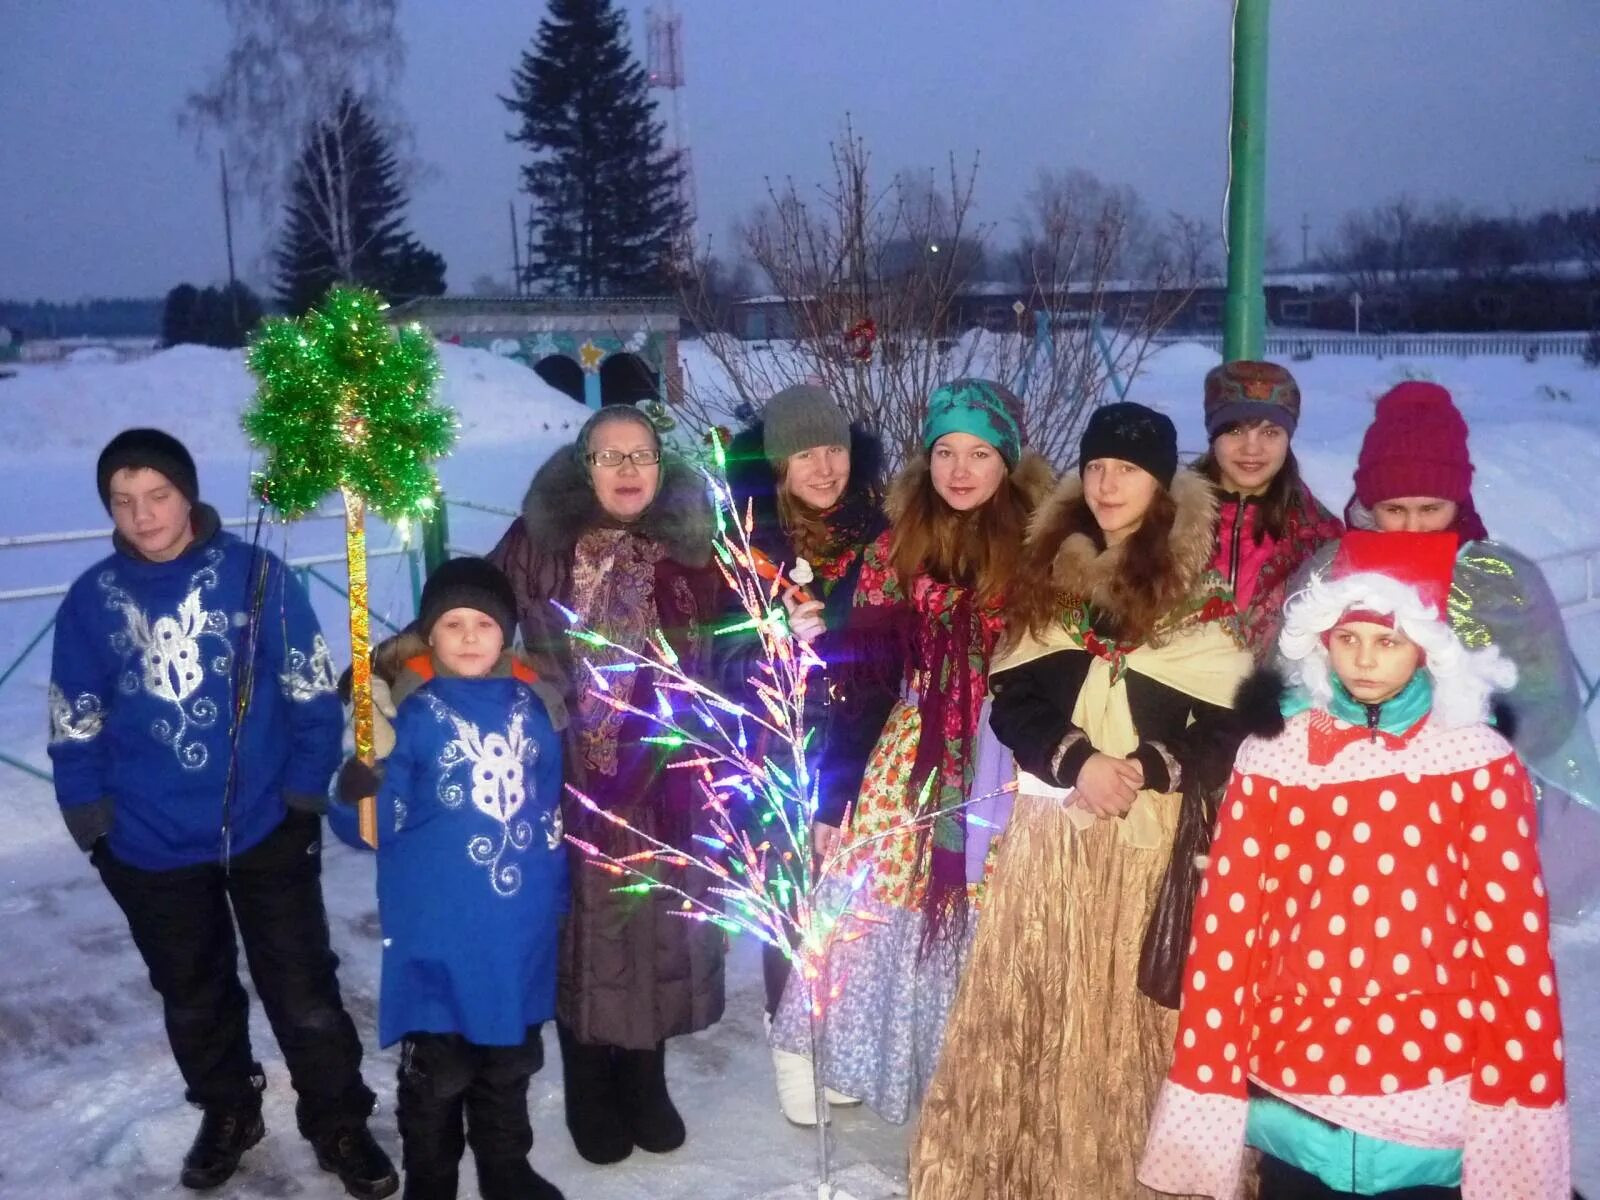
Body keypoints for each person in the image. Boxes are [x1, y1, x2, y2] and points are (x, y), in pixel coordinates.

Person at [1140, 530, 1571, 1199]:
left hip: (1433, 1076)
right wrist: (1209, 1077)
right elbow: (1228, 933)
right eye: (1348, 639)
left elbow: (1512, 942)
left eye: (1388, 641)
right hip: (1295, 1073)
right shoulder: (1273, 756)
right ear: (1321, 640)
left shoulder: (1475, 761)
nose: (1365, 660)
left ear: (1425, 644)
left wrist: (1517, 1099)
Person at [912, 401, 1254, 1199]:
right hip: (1052, 831)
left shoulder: (1202, 597)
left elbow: (1236, 722)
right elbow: (1015, 698)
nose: (1106, 485)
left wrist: (1149, 768)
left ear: (1162, 486)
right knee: (1041, 1007)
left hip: (1151, 839)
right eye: (1096, 467)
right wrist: (1078, 763)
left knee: (1138, 1021)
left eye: (1126, 471)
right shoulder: (1049, 576)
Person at [46, 429, 396, 1196]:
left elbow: (308, 688)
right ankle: (229, 1107)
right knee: (193, 992)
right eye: (123, 501)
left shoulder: (255, 576)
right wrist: (91, 821)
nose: (143, 516)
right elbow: (77, 715)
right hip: (147, 842)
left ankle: (337, 1118)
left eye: (158, 496)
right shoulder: (91, 600)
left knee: (303, 989)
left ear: (188, 493)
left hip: (266, 825)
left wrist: (305, 793)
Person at [769, 378, 1054, 1125]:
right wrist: (837, 796)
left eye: (980, 453)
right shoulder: (895, 548)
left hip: (1005, 760)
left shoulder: (1043, 547)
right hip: (907, 757)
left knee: (987, 921)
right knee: (864, 912)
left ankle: (972, 1075)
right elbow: (860, 683)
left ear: (1009, 461)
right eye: (945, 452)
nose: (960, 470)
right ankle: (830, 1050)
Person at [486, 404, 725, 1164]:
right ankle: (590, 1083)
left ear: (662, 465)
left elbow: (738, 650)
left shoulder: (696, 549)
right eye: (608, 456)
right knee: (582, 930)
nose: (626, 471)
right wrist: (529, 697)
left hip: (665, 772)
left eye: (641, 456)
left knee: (657, 924)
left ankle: (646, 1077)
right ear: (583, 466)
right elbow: (475, 621)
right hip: (569, 776)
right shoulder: (539, 541)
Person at [329, 558, 568, 1200]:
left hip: (516, 932)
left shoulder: (535, 707)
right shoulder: (410, 714)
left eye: (484, 623)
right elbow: (372, 827)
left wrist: (557, 900)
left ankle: (504, 1168)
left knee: (510, 1063)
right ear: (429, 633)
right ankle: (431, 1180)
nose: (468, 636)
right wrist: (357, 790)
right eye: (453, 623)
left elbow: (550, 814)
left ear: (507, 633)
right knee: (440, 1073)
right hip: (437, 935)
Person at [1330, 380, 1600, 922]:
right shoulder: (1334, 573)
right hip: (1352, 815)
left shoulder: (1502, 578)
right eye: (1393, 509)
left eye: (1430, 508)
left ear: (1459, 499)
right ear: (1368, 503)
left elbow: (1547, 708)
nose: (1411, 527)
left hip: (1470, 814)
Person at [720, 383, 899, 1125]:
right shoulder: (746, 544)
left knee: (855, 905)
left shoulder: (883, 535)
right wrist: (772, 646)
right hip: (781, 752)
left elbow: (899, 641)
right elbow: (712, 662)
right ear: (778, 464)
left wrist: (852, 641)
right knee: (792, 904)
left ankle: (841, 1040)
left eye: (835, 450)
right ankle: (793, 1045)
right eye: (805, 454)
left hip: (868, 747)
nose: (824, 469)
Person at [1193, 360, 1342, 660]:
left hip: (1277, 702)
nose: (1252, 448)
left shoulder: (1320, 536)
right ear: (1213, 437)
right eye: (1235, 430)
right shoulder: (1166, 519)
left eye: (1270, 432)